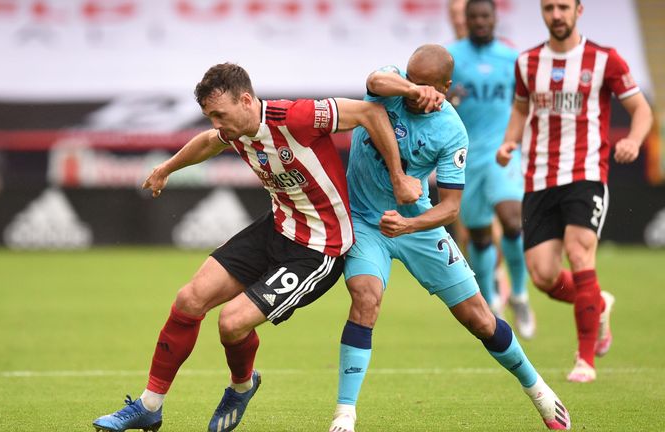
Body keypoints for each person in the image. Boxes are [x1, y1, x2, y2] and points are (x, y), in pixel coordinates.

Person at [91, 62, 438, 432]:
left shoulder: (297, 117)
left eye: (220, 114)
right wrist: (167, 168)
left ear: (245, 100)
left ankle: (241, 386)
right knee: (189, 300)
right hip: (276, 227)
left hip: (319, 249)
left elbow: (370, 111)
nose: (217, 124)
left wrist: (400, 177)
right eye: (210, 116)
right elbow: (208, 141)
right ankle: (149, 406)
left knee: (231, 324)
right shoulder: (233, 128)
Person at [328, 45, 571, 432]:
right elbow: (374, 80)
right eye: (413, 79)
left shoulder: (451, 131)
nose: (419, 90)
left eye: (429, 85)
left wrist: (409, 225)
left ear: (446, 87)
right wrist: (410, 89)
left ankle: (539, 390)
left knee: (479, 319)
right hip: (364, 221)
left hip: (416, 225)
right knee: (365, 297)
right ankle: (344, 415)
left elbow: (451, 208)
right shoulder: (389, 87)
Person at [497, 0, 652, 382]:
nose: (556, 15)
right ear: (542, 12)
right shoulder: (527, 63)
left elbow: (642, 110)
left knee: (580, 253)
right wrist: (509, 143)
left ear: (579, 11)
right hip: (538, 179)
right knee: (543, 276)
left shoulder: (604, 59)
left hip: (585, 173)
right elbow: (520, 109)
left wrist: (633, 140)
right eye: (549, 8)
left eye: (563, 7)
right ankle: (598, 303)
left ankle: (585, 360)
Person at [447, 0, 536, 337]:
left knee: (513, 220)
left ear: (495, 18)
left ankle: (520, 294)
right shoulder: (451, 58)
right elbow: (434, 100)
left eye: (485, 16)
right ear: (466, 21)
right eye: (474, 17)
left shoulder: (512, 59)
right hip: (464, 159)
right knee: (480, 236)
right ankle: (491, 303)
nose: (480, 21)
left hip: (504, 154)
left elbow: (526, 104)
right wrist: (447, 97)